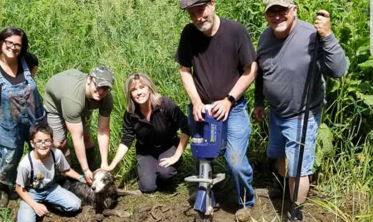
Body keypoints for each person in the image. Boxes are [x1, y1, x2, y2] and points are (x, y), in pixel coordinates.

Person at [254, 0, 347, 220]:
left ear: (294, 10)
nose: (277, 16)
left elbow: (339, 70)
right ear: (266, 15)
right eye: (271, 12)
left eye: (282, 10)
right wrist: (259, 101)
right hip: (276, 111)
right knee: (279, 154)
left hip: (303, 114)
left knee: (297, 167)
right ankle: (282, 188)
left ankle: (296, 211)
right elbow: (260, 73)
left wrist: (328, 36)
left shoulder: (311, 35)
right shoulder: (265, 37)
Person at [175, 0, 258, 221]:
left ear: (212, 4)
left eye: (200, 10)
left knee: (235, 160)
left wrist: (229, 99)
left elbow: (251, 70)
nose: (197, 18)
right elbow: (185, 70)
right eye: (192, 14)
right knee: (202, 154)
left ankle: (246, 201)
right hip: (202, 108)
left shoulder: (235, 31)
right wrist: (196, 101)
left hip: (234, 108)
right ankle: (204, 193)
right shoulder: (189, 34)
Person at [0, 27, 46, 207]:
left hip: (35, 120)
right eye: (9, 43)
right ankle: (4, 189)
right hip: (9, 125)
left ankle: (38, 185)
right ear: (1, 42)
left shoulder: (27, 60)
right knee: (9, 160)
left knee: (40, 154)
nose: (13, 47)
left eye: (18, 44)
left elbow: (35, 65)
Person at [108, 73, 189, 193]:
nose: (139, 92)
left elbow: (186, 127)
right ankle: (150, 170)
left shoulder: (165, 104)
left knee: (164, 173)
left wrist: (176, 155)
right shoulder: (130, 114)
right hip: (146, 151)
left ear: (149, 88)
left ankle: (167, 171)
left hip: (168, 146)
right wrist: (112, 165)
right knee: (148, 187)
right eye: (134, 90)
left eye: (142, 87)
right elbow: (126, 140)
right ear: (130, 94)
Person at [44, 65, 114, 184]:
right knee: (58, 143)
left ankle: (93, 168)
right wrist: (84, 169)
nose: (102, 91)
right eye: (99, 85)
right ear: (89, 79)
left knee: (87, 137)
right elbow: (77, 136)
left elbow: (103, 131)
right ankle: (68, 174)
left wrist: (104, 163)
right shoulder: (73, 99)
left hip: (82, 101)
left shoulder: (106, 99)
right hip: (55, 103)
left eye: (106, 88)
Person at [16, 124, 84, 222]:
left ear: (52, 141)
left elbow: (66, 170)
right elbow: (19, 188)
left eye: (47, 141)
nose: (43, 145)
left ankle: (49, 202)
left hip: (51, 188)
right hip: (32, 192)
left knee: (75, 205)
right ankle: (30, 206)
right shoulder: (26, 164)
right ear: (32, 143)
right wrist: (35, 205)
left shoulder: (56, 154)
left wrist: (82, 178)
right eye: (39, 142)